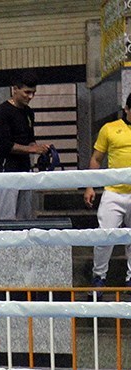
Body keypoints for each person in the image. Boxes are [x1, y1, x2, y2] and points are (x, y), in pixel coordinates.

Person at [83, 92, 131, 299]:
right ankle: (99, 278)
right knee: (104, 237)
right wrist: (90, 186)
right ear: (126, 109)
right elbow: (96, 158)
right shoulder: (110, 129)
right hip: (113, 192)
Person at [0, 69, 51, 220]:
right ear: (15, 89)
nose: (30, 97)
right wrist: (32, 149)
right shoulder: (1, 112)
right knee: (7, 218)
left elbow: (30, 139)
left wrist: (41, 150)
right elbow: (5, 146)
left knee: (25, 217)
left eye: (33, 93)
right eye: (27, 92)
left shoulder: (29, 112)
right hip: (7, 169)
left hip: (25, 168)